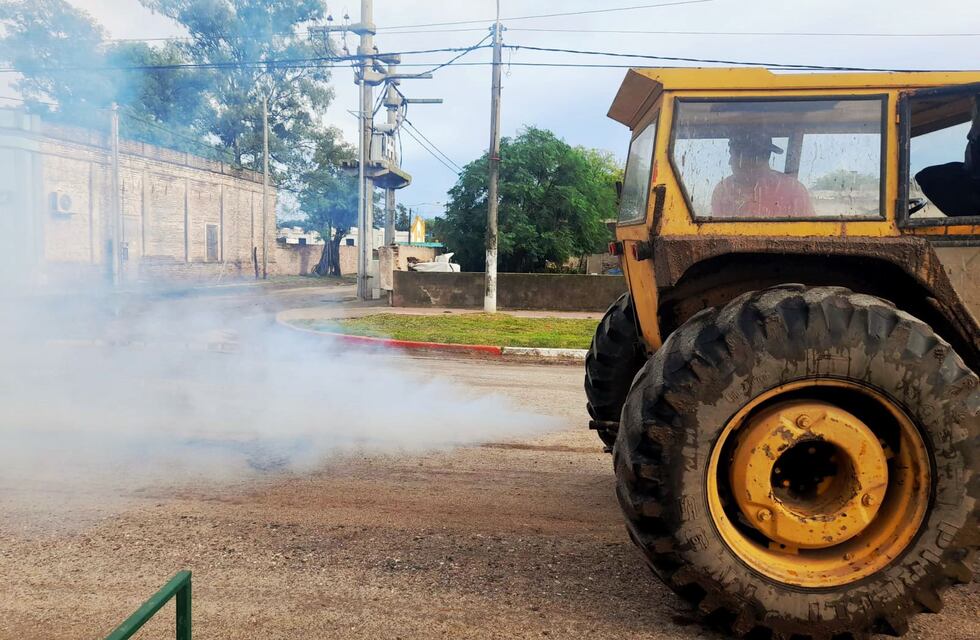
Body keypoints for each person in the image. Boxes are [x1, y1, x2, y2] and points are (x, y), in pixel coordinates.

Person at [711, 133, 815, 217]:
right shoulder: (723, 190)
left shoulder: (794, 191)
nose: (730, 162)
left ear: (756, 160)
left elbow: (809, 236)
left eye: (734, 156)